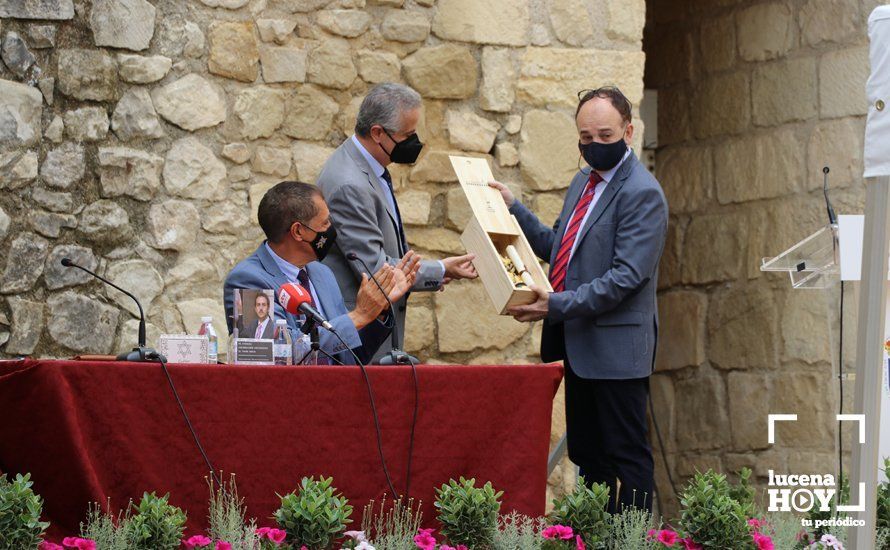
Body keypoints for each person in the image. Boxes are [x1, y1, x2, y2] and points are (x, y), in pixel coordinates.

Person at [489, 87, 668, 513]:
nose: (594, 147)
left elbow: (624, 279)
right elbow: (561, 249)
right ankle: (593, 536)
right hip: (578, 345)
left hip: (618, 350)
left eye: (605, 137)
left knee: (627, 455)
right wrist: (514, 210)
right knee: (587, 456)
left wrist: (555, 304)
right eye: (585, 138)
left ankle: (631, 543)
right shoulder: (582, 182)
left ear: (628, 131)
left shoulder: (642, 193)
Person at [316, 82, 477, 362]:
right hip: (359, 339)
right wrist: (437, 269)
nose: (414, 142)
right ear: (377, 133)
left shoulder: (368, 167)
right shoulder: (348, 184)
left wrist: (438, 269)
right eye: (408, 134)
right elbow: (378, 270)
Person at [224, 181, 419, 365]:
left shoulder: (322, 273)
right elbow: (270, 355)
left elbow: (349, 357)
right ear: (298, 231)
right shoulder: (246, 280)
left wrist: (378, 310)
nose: (331, 230)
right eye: (325, 223)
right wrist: (359, 315)